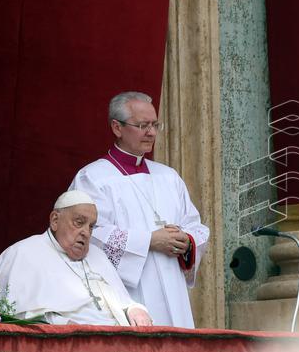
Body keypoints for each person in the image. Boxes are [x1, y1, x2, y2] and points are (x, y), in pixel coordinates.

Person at [69, 91, 209, 328]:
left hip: (174, 288)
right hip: (128, 293)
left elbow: (195, 225)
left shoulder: (169, 177)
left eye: (155, 125)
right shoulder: (92, 178)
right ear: (117, 127)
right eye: (143, 125)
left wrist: (187, 240)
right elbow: (88, 235)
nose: (151, 132)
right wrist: (148, 241)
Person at [0, 190, 153, 326]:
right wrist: (62, 324)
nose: (86, 232)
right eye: (79, 222)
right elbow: (17, 315)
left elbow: (123, 301)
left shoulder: (97, 255)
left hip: (115, 338)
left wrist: (134, 308)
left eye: (91, 226)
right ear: (55, 220)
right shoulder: (23, 253)